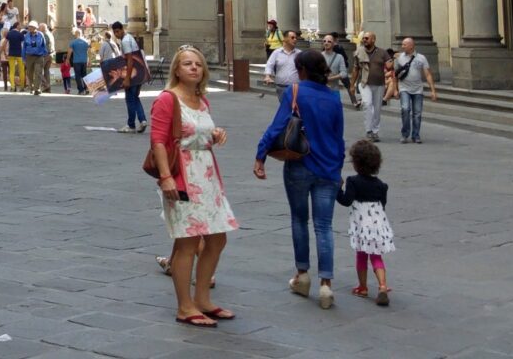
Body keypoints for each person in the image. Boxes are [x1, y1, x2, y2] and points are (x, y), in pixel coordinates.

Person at [150, 46, 238, 328]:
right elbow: (158, 141)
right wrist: (165, 177)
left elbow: (200, 133)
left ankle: (202, 299)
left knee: (217, 239)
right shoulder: (167, 99)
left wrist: (215, 134)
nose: (194, 68)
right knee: (187, 242)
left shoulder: (202, 100)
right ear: (176, 69)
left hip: (208, 177)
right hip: (182, 176)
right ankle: (185, 306)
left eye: (198, 64)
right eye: (187, 64)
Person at [255, 49, 346, 310]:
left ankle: (302, 276)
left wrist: (261, 155)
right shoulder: (334, 98)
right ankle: (326, 285)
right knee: (324, 226)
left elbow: (277, 126)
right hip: (328, 168)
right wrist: (338, 168)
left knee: (299, 220)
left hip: (299, 164)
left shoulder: (294, 92)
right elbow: (339, 137)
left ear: (302, 70)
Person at [339, 140, 394, 306]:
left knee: (361, 255)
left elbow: (346, 201)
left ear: (356, 163)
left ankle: (362, 287)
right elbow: (383, 204)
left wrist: (337, 189)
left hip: (361, 225)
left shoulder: (353, 181)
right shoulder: (381, 185)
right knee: (376, 256)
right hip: (378, 224)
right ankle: (382, 286)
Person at [353, 32, 387, 141]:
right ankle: (368, 130)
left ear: (373, 40)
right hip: (365, 83)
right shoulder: (359, 52)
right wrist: (352, 84)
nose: (364, 40)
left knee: (377, 109)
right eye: (363, 38)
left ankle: (375, 131)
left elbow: (389, 64)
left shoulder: (382, 52)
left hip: (379, 84)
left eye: (367, 38)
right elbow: (355, 69)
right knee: (367, 104)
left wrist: (392, 62)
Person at [117, 21, 147, 132]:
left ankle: (131, 125)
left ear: (122, 29)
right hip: (138, 72)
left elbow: (130, 60)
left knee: (129, 99)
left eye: (117, 31)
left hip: (132, 74)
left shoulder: (125, 41)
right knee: (135, 97)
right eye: (114, 32)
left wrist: (127, 78)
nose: (116, 34)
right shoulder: (130, 37)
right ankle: (142, 120)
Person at [321, 35, 351, 108]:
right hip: (321, 90)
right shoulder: (319, 56)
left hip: (334, 90)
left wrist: (331, 78)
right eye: (324, 41)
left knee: (335, 110)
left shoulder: (339, 57)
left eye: (329, 41)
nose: (326, 43)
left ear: (334, 43)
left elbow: (344, 73)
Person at [23, 23, 50, 95]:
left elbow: (44, 45)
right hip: (29, 56)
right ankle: (31, 86)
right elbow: (24, 47)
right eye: (29, 27)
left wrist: (45, 54)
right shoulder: (26, 35)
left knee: (38, 72)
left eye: (31, 27)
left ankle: (37, 89)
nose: (29, 28)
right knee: (29, 73)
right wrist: (23, 58)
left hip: (39, 56)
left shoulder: (40, 35)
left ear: (35, 28)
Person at [3, 19, 25, 92]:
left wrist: (5, 52)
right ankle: (22, 86)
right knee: (21, 70)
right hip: (19, 54)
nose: (21, 27)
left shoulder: (9, 33)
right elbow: (23, 45)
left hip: (11, 54)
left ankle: (12, 86)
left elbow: (4, 43)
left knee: (12, 71)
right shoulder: (20, 34)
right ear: (17, 26)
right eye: (20, 25)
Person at [69, 30, 91, 94]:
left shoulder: (73, 42)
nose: (74, 34)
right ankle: (86, 88)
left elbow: (69, 51)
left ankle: (81, 90)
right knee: (84, 75)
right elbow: (89, 52)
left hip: (76, 61)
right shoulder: (86, 42)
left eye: (75, 33)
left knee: (78, 76)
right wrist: (89, 60)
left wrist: (67, 59)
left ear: (76, 34)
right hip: (84, 61)